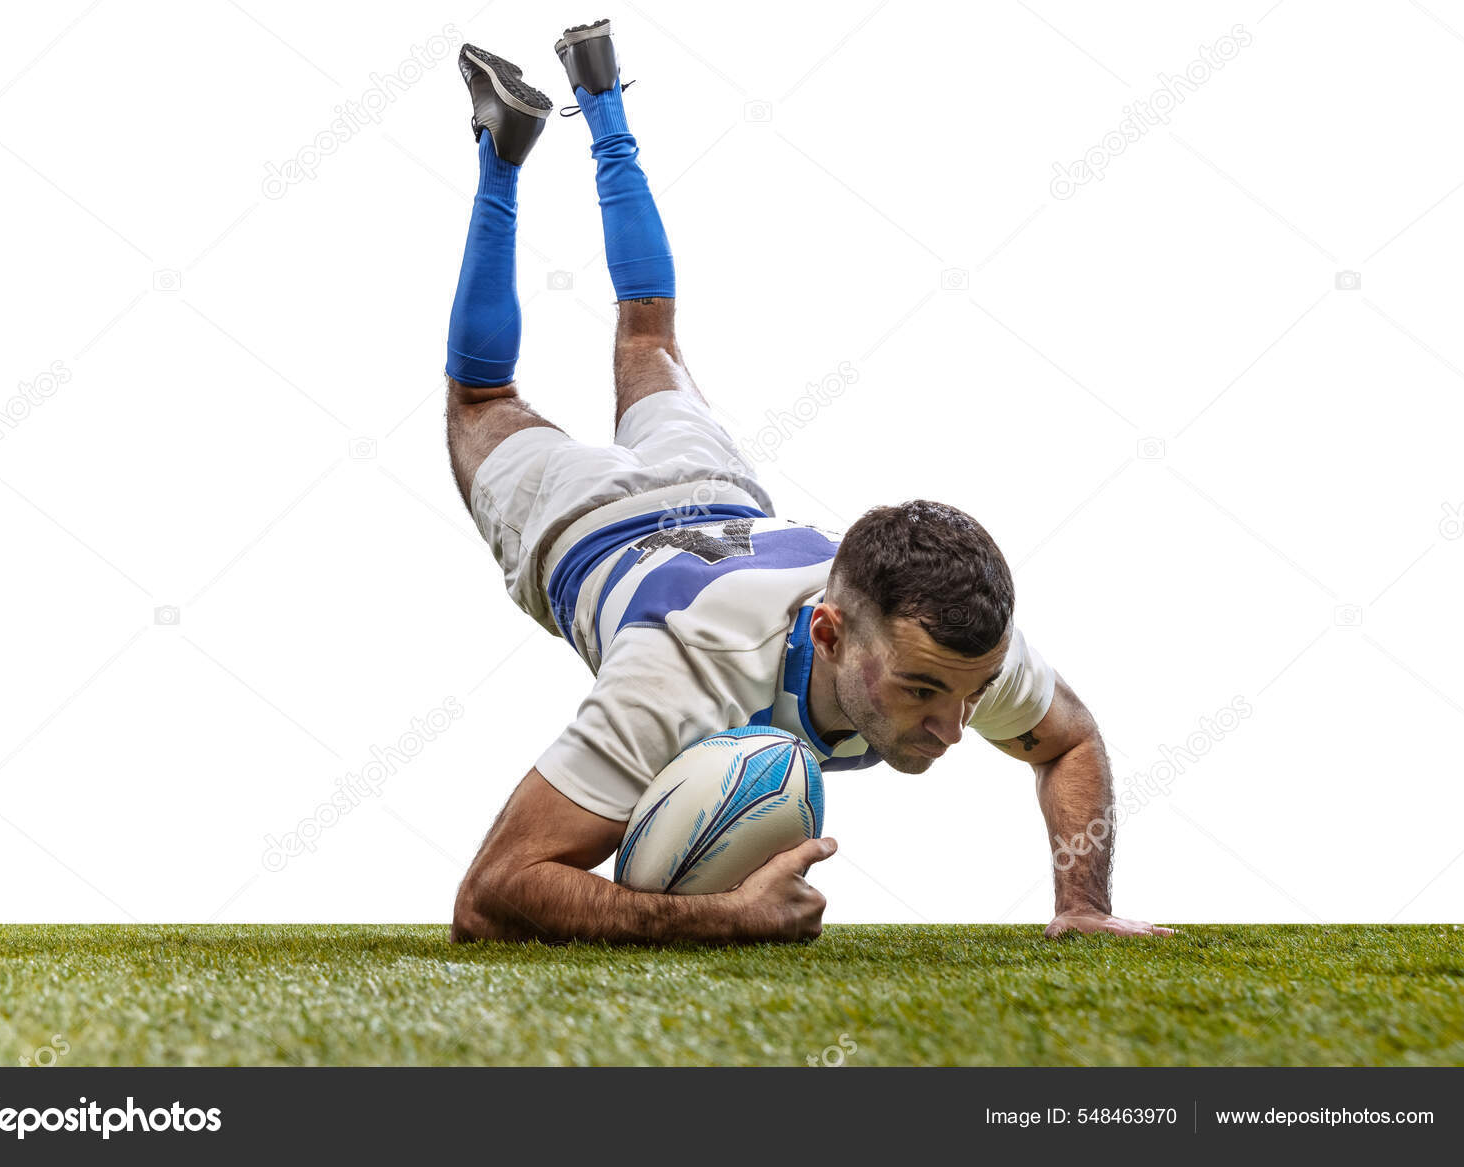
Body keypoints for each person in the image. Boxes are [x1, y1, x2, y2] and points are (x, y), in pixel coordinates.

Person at [444, 21, 1172, 945]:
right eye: (919, 693)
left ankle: (603, 100)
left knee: (649, 337)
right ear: (828, 631)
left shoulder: (957, 647)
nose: (955, 727)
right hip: (588, 516)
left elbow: (1068, 740)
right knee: (484, 395)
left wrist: (1083, 908)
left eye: (965, 693)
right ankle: (505, 150)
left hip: (715, 491)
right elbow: (489, 897)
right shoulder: (679, 680)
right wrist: (717, 918)